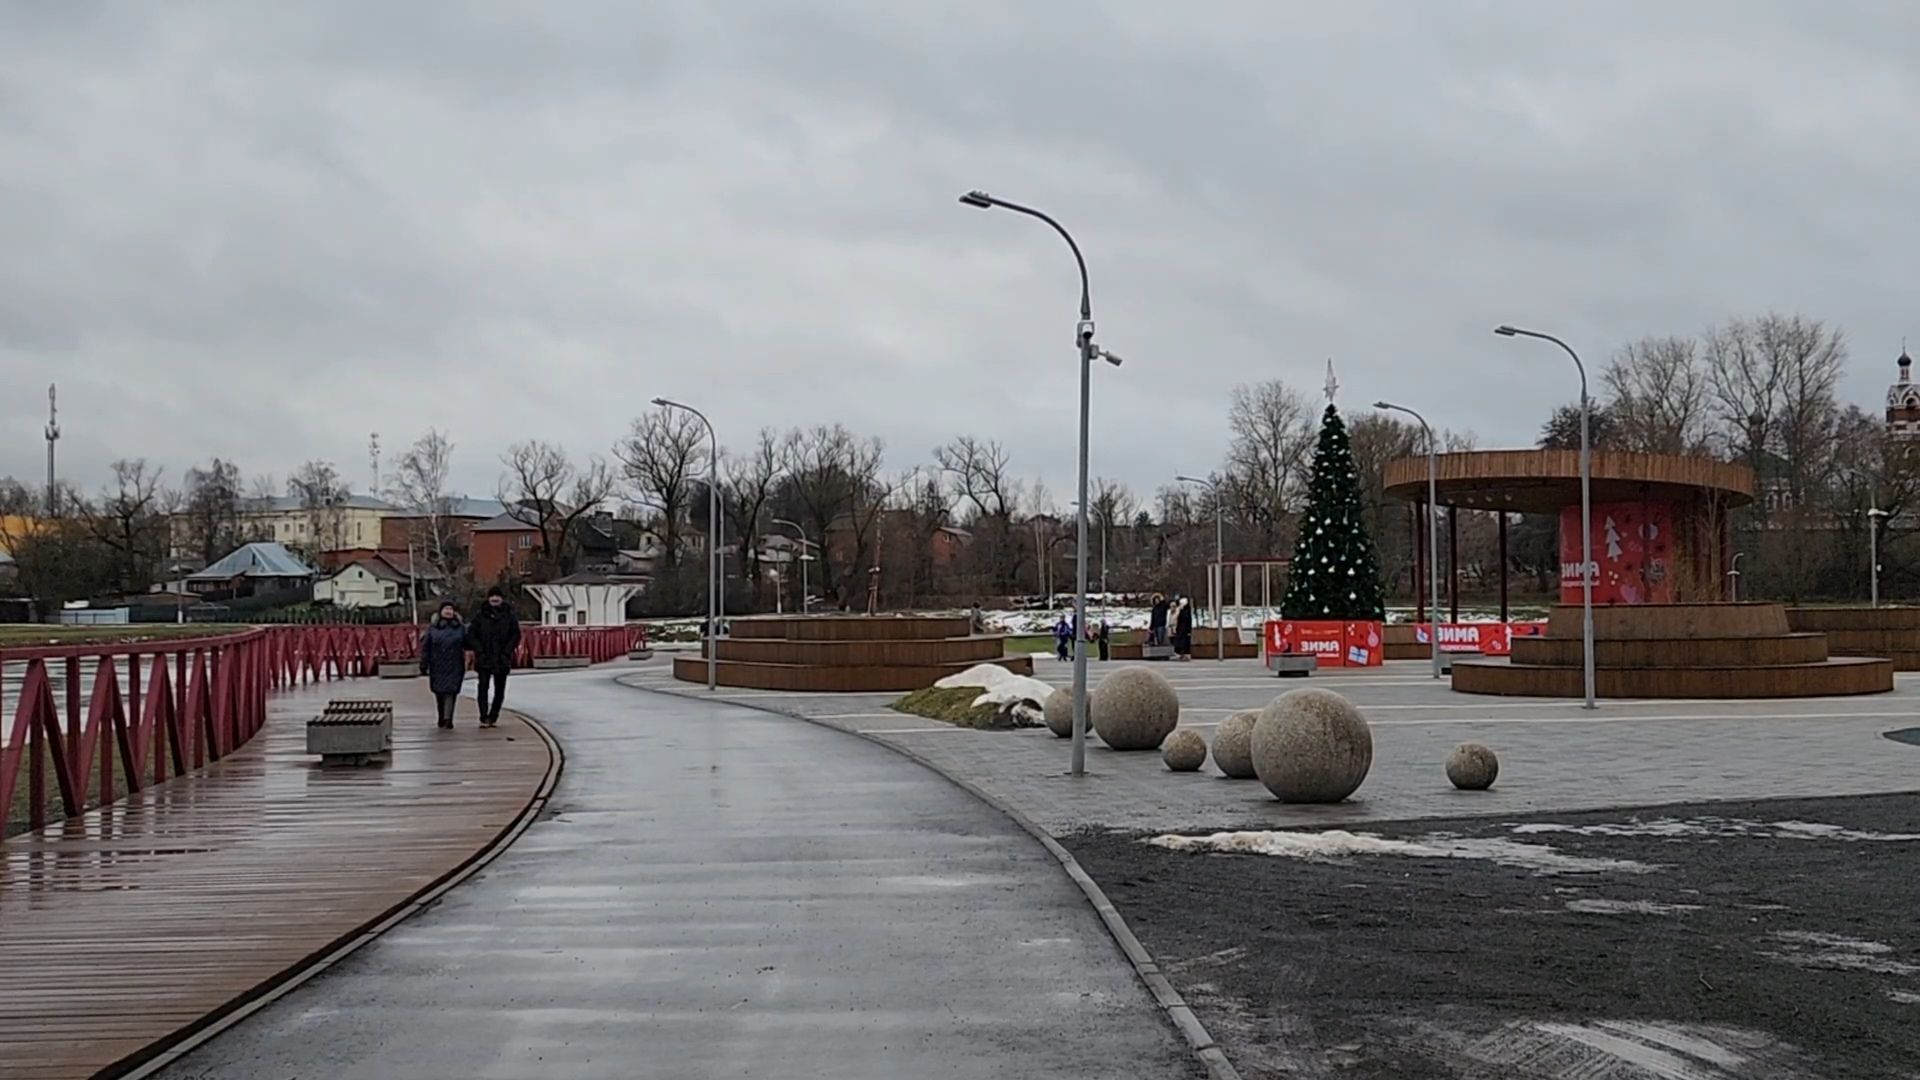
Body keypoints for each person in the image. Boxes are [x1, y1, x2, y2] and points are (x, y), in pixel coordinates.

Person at [467, 585, 522, 728]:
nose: (495, 599)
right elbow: (472, 634)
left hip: (502, 657)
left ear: (502, 599)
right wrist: (479, 651)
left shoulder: (509, 615)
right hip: (485, 656)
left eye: (497, 596)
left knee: (500, 689)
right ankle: (483, 716)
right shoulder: (480, 615)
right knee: (483, 688)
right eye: (492, 596)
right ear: (488, 598)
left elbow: (515, 635)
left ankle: (493, 716)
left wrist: (507, 651)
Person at [420, 601, 469, 729]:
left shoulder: (460, 628)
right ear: (440, 612)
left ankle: (448, 718)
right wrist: (423, 664)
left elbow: (468, 643)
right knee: (439, 692)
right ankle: (442, 716)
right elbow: (426, 648)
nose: (448, 611)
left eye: (450, 609)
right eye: (446, 609)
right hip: (437, 664)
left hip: (455, 664)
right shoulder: (433, 628)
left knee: (451, 691)